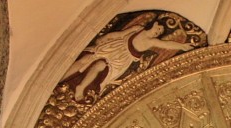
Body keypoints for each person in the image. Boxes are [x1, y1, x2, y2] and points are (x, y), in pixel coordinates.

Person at [62, 21, 193, 102]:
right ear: (154, 24)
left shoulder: (151, 41)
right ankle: (61, 77)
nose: (157, 33)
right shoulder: (138, 29)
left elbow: (167, 44)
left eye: (159, 33)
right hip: (113, 47)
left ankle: (81, 87)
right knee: (86, 59)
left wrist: (181, 46)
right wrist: (106, 37)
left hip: (121, 60)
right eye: (158, 29)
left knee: (99, 65)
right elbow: (120, 34)